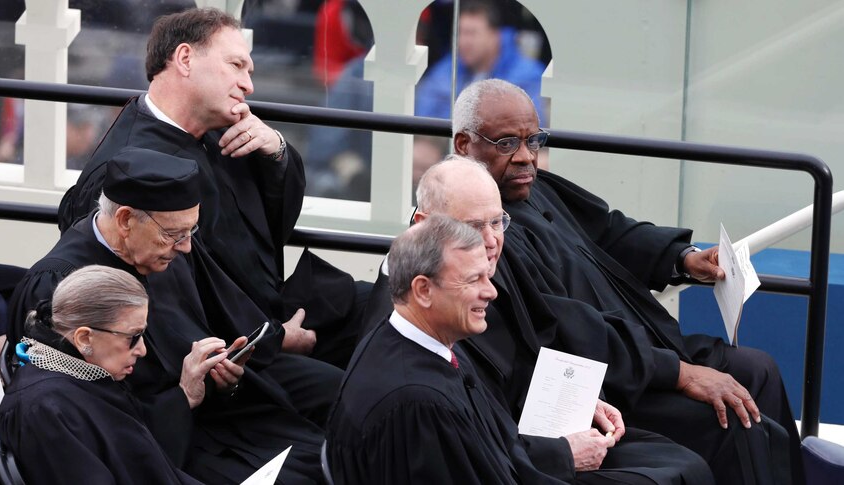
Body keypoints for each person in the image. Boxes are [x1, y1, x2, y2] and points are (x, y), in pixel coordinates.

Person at [451, 78, 800, 483]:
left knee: (760, 369)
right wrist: (680, 374)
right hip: (606, 381)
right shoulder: (477, 231)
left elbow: (610, 231)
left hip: (645, 344)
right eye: (507, 143)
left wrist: (682, 259)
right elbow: (564, 329)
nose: (527, 157)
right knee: (734, 424)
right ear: (464, 145)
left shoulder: (534, 187)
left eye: (535, 140)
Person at [57, 7, 364, 367]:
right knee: (341, 391)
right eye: (236, 65)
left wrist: (276, 152)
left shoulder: (224, 132)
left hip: (267, 305)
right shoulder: (127, 167)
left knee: (387, 304)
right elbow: (168, 306)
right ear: (185, 59)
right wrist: (272, 339)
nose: (249, 85)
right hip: (230, 345)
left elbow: (272, 227)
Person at [10, 148, 335, 484]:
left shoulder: (163, 249)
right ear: (124, 220)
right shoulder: (60, 287)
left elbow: (222, 315)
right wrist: (183, 395)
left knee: (336, 433)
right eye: (174, 234)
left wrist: (226, 366)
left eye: (191, 232)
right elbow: (97, 421)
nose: (186, 248)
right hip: (158, 444)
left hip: (214, 410)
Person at [333, 214, 713, 484]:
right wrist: (564, 456)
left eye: (487, 275)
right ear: (423, 290)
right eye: (472, 280)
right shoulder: (417, 400)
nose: (492, 291)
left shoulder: (420, 346)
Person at [0, 265, 204, 484]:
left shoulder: (84, 376)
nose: (142, 350)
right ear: (84, 338)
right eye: (133, 336)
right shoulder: (46, 410)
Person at [415, 0, 546, 122]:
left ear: (494, 36)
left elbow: (530, 128)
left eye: (471, 33)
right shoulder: (447, 68)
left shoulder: (528, 75)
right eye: (460, 33)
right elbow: (424, 115)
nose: (463, 42)